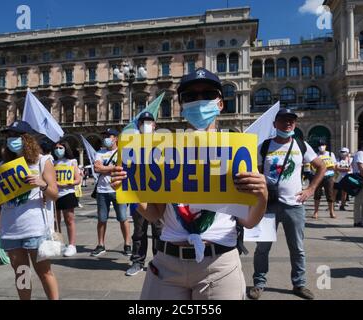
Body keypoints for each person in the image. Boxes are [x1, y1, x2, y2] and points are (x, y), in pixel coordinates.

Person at [111, 68, 268, 300]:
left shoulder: (238, 151)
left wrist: (262, 195)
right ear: (182, 107)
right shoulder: (163, 152)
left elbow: (250, 221)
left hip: (219, 265)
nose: (199, 100)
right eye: (190, 97)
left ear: (220, 103)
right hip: (167, 263)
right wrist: (129, 191)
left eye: (207, 94)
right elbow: (155, 214)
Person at [248, 108, 326, 300]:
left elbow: (322, 166)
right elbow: (256, 173)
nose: (288, 123)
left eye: (291, 120)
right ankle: (259, 283)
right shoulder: (264, 147)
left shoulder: (302, 145)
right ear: (275, 124)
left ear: (295, 124)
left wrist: (310, 189)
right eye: (283, 120)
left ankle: (299, 284)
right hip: (267, 206)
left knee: (297, 248)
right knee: (262, 248)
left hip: (294, 206)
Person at [0, 121, 59, 300]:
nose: (11, 140)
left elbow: (55, 194)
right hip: (11, 230)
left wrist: (42, 184)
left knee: (44, 272)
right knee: (21, 274)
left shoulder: (43, 162)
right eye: (8, 136)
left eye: (15, 136)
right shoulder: (4, 165)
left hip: (36, 229)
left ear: (27, 139)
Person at [125, 112, 163, 277]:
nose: (146, 124)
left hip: (159, 192)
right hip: (138, 192)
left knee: (159, 230)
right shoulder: (131, 144)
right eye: (143, 122)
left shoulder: (163, 143)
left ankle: (160, 260)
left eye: (149, 122)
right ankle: (137, 261)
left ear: (155, 125)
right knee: (139, 230)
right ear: (138, 125)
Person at [91, 128, 131, 257]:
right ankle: (100, 244)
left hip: (118, 189)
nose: (106, 138)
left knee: (123, 218)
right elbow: (97, 168)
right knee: (101, 219)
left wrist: (105, 168)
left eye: (109, 136)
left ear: (116, 138)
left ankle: (127, 244)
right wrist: (114, 168)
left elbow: (124, 168)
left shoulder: (122, 152)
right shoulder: (100, 152)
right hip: (102, 190)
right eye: (105, 136)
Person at [53, 140, 81, 257]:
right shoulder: (53, 162)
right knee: (55, 220)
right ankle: (59, 243)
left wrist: (68, 183)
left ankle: (72, 245)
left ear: (66, 149)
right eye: (56, 148)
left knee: (69, 219)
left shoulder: (71, 162)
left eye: (60, 148)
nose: (58, 150)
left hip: (67, 193)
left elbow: (78, 179)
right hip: (55, 194)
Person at [312, 140, 337, 219]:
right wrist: (325, 167)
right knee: (317, 194)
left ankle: (331, 211)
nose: (321, 146)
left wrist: (322, 168)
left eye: (322, 145)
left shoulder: (330, 154)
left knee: (329, 194)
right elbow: (313, 167)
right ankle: (315, 212)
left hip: (329, 176)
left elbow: (333, 166)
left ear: (325, 145)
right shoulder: (316, 155)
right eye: (319, 145)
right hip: (318, 176)